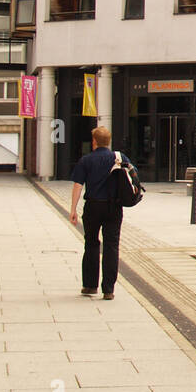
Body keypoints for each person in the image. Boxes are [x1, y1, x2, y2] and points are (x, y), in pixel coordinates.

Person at [69, 126, 133, 300]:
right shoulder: (119, 158)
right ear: (109, 141)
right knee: (112, 246)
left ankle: (90, 285)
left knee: (91, 244)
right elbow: (133, 175)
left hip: (93, 206)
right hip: (114, 207)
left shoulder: (86, 160)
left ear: (94, 141)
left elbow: (77, 185)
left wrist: (73, 209)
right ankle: (109, 289)